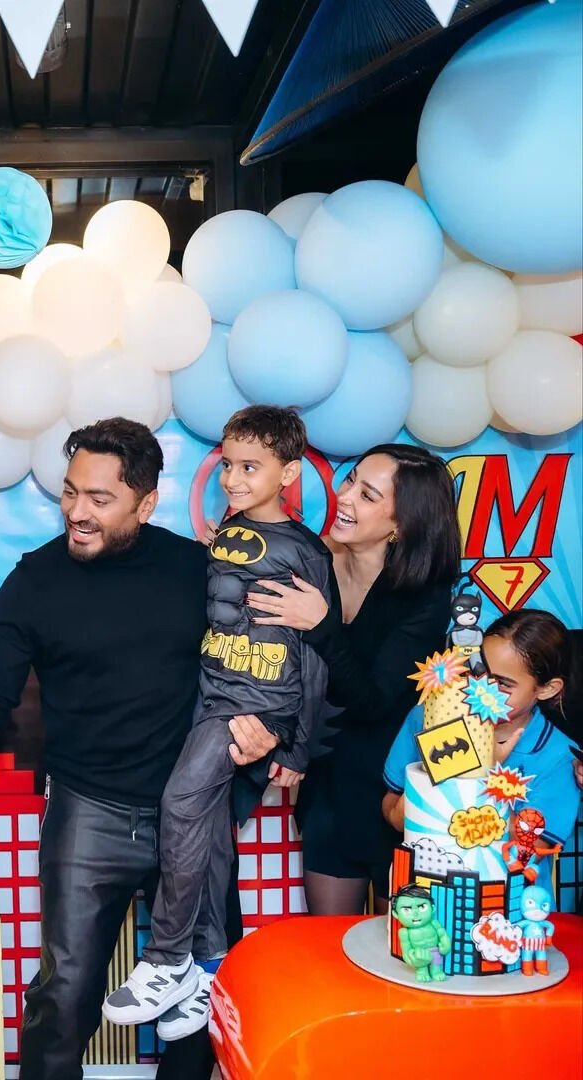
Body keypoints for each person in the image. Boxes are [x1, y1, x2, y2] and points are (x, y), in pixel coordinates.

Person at [0, 417, 230, 1080]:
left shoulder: (195, 571)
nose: (78, 512)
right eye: (70, 492)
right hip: (89, 812)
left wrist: (271, 726)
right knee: (64, 993)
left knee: (201, 994)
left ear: (146, 503)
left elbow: (255, 668)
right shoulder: (36, 580)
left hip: (190, 812)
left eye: (100, 499)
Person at [101, 406, 332, 1033]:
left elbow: (315, 654)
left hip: (254, 707)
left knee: (179, 805)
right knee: (208, 829)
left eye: (251, 467)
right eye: (228, 465)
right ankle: (208, 966)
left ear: (289, 473)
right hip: (210, 695)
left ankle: (166, 957)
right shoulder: (230, 528)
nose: (232, 478)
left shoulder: (306, 551)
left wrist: (297, 746)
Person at [245, 444, 461, 914]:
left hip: (395, 790)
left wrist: (321, 624)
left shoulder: (425, 597)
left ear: (402, 524)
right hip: (328, 781)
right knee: (329, 941)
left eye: (368, 495)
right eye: (350, 480)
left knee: (401, 942)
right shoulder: (310, 560)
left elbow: (371, 701)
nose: (344, 497)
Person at [382, 608, 581, 897]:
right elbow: (394, 815)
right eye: (478, 669)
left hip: (509, 911)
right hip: (422, 906)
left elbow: (526, 855)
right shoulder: (427, 717)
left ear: (548, 689)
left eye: (503, 683)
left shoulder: (558, 756)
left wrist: (483, 776)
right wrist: (450, 760)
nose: (482, 687)